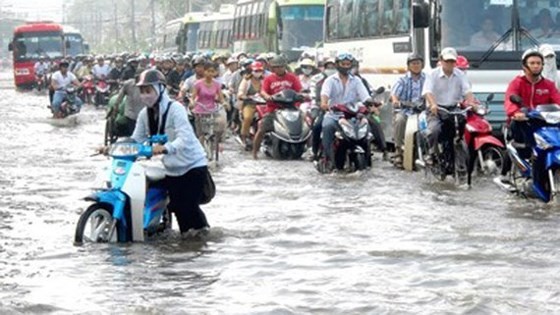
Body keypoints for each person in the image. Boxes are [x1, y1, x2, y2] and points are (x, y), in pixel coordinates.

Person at [131, 69, 211, 237]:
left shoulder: (176, 109)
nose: (145, 95)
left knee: (188, 206)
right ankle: (188, 244)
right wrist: (115, 148)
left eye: (148, 90)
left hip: (193, 165)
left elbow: (186, 137)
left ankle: (202, 238)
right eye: (142, 91)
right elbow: (136, 139)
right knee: (177, 208)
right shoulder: (144, 115)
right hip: (171, 169)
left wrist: (167, 148)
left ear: (160, 89)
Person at [499, 48, 560, 184]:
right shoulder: (517, 83)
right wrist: (516, 113)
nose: (536, 66)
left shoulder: (548, 85)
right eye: (532, 63)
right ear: (525, 66)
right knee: (517, 140)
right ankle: (505, 173)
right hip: (522, 121)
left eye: (538, 63)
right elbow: (510, 101)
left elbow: (557, 100)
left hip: (543, 122)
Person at [422, 47, 474, 165]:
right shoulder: (432, 74)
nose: (450, 64)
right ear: (441, 60)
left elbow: (467, 91)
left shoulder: (460, 75)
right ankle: (431, 153)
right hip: (436, 109)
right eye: (447, 61)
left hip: (453, 109)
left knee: (462, 127)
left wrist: (472, 103)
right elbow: (427, 92)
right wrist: (433, 104)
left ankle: (460, 154)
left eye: (452, 61)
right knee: (434, 130)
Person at [319, 52, 371, 170]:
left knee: (368, 126)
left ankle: (369, 158)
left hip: (352, 115)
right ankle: (329, 159)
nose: (346, 66)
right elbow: (325, 95)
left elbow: (365, 97)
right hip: (334, 115)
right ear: (338, 65)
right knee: (326, 126)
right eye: (343, 64)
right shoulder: (330, 80)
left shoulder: (357, 80)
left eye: (348, 64)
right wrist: (324, 104)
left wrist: (371, 103)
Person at [252, 56, 302, 159]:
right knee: (262, 128)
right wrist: (267, 97)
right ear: (272, 68)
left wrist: (302, 96)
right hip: (274, 109)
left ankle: (311, 151)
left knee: (306, 125)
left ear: (285, 67)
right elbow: (263, 91)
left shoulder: (292, 77)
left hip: (292, 108)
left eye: (281, 66)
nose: (279, 69)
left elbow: (299, 90)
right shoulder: (269, 79)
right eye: (276, 67)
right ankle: (254, 152)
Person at [390, 53, 426, 168]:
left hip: (422, 112)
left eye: (418, 63)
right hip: (406, 111)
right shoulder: (402, 80)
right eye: (413, 64)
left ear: (422, 65)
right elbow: (394, 95)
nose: (416, 66)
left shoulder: (427, 79)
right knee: (399, 120)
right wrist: (396, 101)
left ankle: (431, 152)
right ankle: (398, 151)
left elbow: (433, 92)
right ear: (409, 66)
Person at [352, 59, 388, 161]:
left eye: (354, 67)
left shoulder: (362, 81)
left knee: (375, 123)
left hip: (361, 110)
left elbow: (369, 95)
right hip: (344, 111)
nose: (352, 69)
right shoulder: (337, 80)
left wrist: (372, 105)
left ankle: (384, 150)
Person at [191, 62, 227, 144]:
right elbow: (193, 97)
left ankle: (216, 140)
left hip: (212, 110)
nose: (210, 73)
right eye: (208, 71)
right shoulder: (198, 84)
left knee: (221, 123)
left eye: (212, 71)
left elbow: (221, 98)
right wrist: (192, 103)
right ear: (204, 71)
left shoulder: (217, 84)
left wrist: (224, 103)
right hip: (200, 110)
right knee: (201, 134)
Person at [310, 58, 337, 161]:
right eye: (328, 67)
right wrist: (322, 104)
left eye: (333, 67)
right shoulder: (317, 80)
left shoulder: (343, 79)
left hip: (342, 110)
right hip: (323, 108)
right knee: (317, 126)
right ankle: (315, 151)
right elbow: (315, 96)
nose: (331, 69)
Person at [237, 61, 265, 149]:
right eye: (256, 71)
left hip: (263, 105)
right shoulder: (246, 81)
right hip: (249, 104)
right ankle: (245, 136)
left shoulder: (264, 80)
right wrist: (244, 96)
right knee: (248, 117)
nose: (258, 73)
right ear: (252, 71)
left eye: (260, 71)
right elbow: (240, 93)